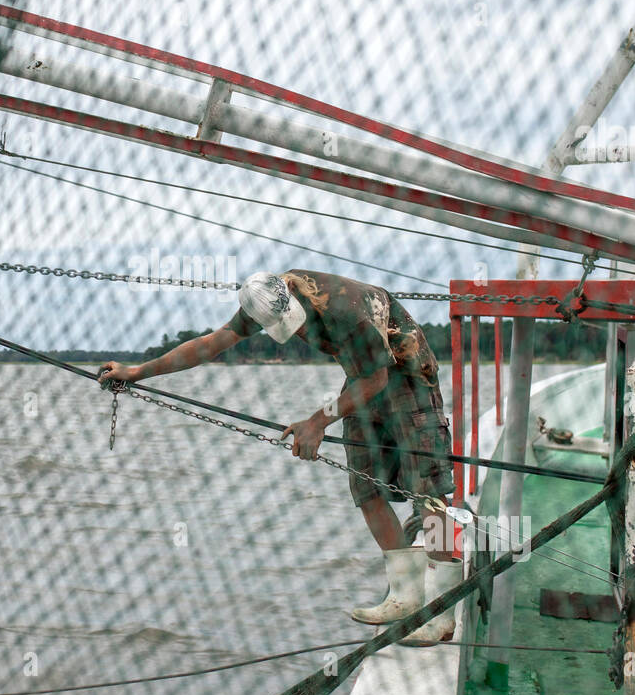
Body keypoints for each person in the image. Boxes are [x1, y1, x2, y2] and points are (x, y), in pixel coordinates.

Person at [99, 270, 459, 642]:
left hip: (407, 375)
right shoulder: (262, 300)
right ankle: (405, 595)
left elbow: (378, 380)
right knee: (366, 488)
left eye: (295, 322)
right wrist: (139, 371)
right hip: (360, 378)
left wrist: (317, 423)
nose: (298, 333)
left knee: (428, 493)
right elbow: (210, 344)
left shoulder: (346, 309)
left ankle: (442, 611)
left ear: (290, 290)